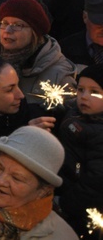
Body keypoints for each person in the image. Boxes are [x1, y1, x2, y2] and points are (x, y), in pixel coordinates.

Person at [0, 0, 76, 104]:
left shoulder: (59, 76)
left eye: (18, 25)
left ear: (35, 32)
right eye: (5, 23)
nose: (7, 30)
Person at [57, 64, 103, 238]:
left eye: (95, 92)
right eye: (80, 90)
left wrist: (64, 203)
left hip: (82, 211)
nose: (84, 97)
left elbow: (95, 183)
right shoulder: (77, 112)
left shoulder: (99, 134)